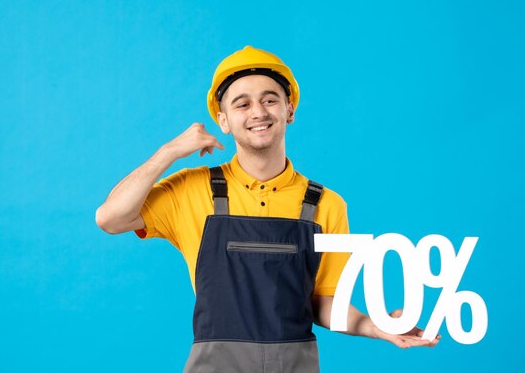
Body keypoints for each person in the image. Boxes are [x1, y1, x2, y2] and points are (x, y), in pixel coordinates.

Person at [96, 46, 439, 372]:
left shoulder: (325, 205)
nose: (258, 112)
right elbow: (110, 218)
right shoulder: (192, 189)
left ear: (289, 110)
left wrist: (376, 326)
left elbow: (323, 302)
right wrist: (170, 151)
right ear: (224, 120)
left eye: (270, 100)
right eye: (242, 104)